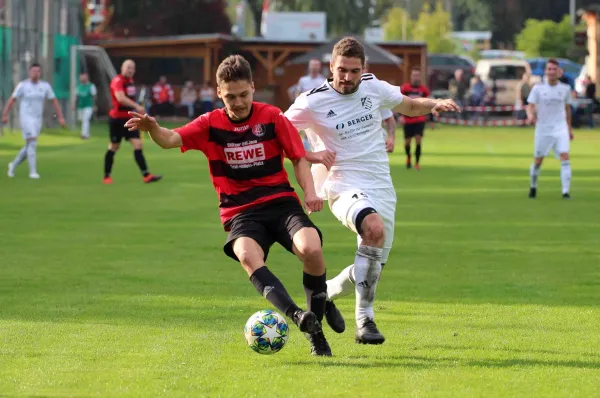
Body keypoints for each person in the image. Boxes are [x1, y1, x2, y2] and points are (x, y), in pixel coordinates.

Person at [124, 54, 333, 357]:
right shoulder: (210, 124)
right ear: (219, 92)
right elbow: (170, 139)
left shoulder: (273, 117)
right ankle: (299, 316)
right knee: (246, 254)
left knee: (312, 249)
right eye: (231, 96)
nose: (238, 102)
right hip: (241, 212)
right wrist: (153, 127)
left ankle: (319, 333)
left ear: (252, 87)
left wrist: (310, 192)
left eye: (244, 95)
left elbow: (299, 158)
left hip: (281, 203)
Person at [284, 37, 459, 344]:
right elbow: (279, 131)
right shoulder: (313, 100)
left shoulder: (374, 87)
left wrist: (434, 105)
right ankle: (365, 321)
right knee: (372, 228)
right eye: (341, 70)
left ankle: (326, 296)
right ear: (331, 66)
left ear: (363, 68)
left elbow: (409, 105)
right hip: (341, 183)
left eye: (353, 71)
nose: (347, 77)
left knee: (373, 266)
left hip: (381, 184)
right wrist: (311, 158)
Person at [2, 63, 66, 179]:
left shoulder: (45, 86)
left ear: (40, 73)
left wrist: (60, 117)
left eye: (38, 71)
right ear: (29, 72)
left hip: (37, 119)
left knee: (30, 145)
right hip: (26, 117)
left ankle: (13, 164)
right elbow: (12, 99)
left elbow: (54, 101)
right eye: (33, 71)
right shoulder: (23, 85)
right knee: (32, 142)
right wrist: (5, 114)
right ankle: (33, 172)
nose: (35, 73)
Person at [104, 59, 162, 184]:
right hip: (117, 119)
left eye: (132, 68)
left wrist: (137, 110)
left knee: (138, 144)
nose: (130, 70)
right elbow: (120, 98)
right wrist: (137, 106)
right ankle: (106, 176)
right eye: (128, 67)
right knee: (114, 146)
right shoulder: (117, 81)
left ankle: (146, 175)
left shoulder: (130, 82)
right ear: (122, 68)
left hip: (129, 118)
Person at [526, 59, 573, 199]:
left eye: (554, 69)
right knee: (538, 160)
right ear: (546, 71)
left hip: (560, 128)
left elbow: (567, 109)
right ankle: (533, 186)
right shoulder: (538, 88)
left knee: (565, 156)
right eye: (549, 69)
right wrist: (530, 115)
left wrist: (569, 129)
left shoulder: (565, 89)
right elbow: (530, 105)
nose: (551, 72)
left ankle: (565, 191)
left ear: (559, 72)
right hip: (543, 129)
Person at [400, 68, 430, 170]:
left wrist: (432, 118)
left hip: (419, 119)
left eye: (418, 75)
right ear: (411, 76)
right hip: (408, 119)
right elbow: (400, 103)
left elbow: (428, 104)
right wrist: (400, 116)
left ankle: (417, 163)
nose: (416, 77)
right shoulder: (405, 88)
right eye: (414, 75)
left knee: (418, 139)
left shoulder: (424, 90)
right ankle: (408, 156)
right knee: (407, 142)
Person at [75, 72, 97, 139]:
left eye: (84, 77)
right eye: (81, 77)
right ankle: (87, 134)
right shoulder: (78, 86)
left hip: (89, 105)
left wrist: (94, 105)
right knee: (83, 120)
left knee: (85, 119)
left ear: (87, 77)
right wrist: (74, 104)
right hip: (81, 106)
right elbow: (77, 96)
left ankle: (83, 134)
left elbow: (94, 96)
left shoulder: (91, 86)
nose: (82, 78)